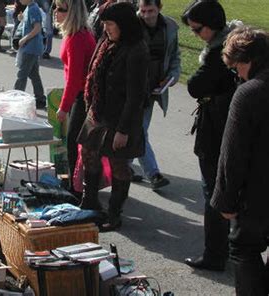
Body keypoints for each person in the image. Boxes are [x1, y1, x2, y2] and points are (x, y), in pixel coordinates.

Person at [77, 2, 149, 231]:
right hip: (98, 112)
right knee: (89, 154)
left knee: (119, 164)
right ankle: (90, 202)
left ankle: (115, 213)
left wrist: (123, 130)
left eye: (110, 24)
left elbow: (136, 96)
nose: (106, 29)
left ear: (124, 25)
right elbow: (93, 73)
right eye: (104, 24)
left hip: (120, 119)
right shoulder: (106, 42)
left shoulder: (137, 50)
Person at [212, 26, 269, 295]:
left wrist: (225, 200)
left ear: (248, 60)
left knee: (243, 247)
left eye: (237, 68)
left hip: (258, 192)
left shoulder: (250, 93)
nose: (237, 74)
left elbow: (232, 153)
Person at [181, 0, 237, 271]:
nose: (195, 34)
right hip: (225, 128)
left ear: (213, 25)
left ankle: (215, 253)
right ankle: (226, 249)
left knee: (214, 192)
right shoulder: (233, 46)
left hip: (216, 131)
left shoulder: (220, 54)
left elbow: (195, 85)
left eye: (197, 29)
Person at [129, 0, 180, 189]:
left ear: (160, 8)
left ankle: (124, 168)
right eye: (143, 11)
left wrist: (173, 76)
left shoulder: (170, 27)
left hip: (152, 90)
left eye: (151, 11)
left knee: (138, 130)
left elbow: (175, 56)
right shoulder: (131, 25)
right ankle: (153, 174)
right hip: (131, 90)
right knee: (139, 131)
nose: (147, 15)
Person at [54, 0, 96, 194]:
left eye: (61, 9)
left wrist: (63, 107)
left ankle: (77, 189)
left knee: (74, 142)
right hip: (81, 94)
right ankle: (78, 185)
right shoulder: (76, 34)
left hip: (82, 96)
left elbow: (74, 78)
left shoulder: (76, 38)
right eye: (55, 7)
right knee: (77, 143)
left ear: (71, 13)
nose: (55, 11)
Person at [13, 0, 47, 109]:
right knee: (34, 74)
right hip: (32, 47)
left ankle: (16, 99)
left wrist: (24, 39)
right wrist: (21, 19)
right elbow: (29, 25)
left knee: (22, 74)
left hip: (31, 47)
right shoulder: (30, 7)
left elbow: (37, 28)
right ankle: (40, 98)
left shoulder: (33, 9)